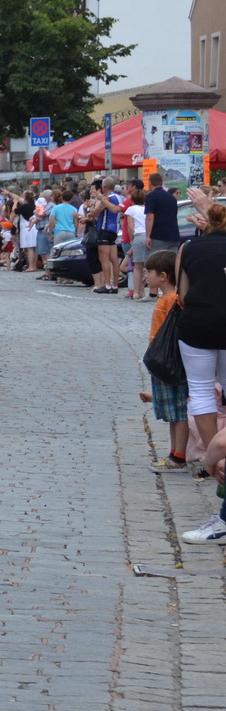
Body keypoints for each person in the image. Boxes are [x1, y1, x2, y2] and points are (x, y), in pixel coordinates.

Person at [177, 202, 226, 543]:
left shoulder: (189, 247)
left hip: (197, 325)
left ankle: (216, 458)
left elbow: (181, 294)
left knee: (201, 392)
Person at [140, 250, 190, 473]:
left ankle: (179, 455)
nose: (145, 276)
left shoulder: (171, 300)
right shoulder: (170, 298)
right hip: (165, 361)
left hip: (167, 362)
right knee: (173, 412)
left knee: (178, 411)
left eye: (148, 272)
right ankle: (173, 452)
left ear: (162, 276)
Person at [91, 179, 123, 294]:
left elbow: (96, 212)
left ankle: (107, 285)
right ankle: (115, 285)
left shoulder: (107, 198)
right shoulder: (119, 197)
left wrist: (92, 205)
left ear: (104, 187)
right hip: (114, 229)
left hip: (105, 228)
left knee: (104, 258)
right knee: (114, 259)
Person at [145, 171, 181, 256]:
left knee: (154, 261)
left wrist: (148, 236)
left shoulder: (151, 196)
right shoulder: (171, 197)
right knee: (170, 261)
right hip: (174, 235)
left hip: (158, 236)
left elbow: (150, 217)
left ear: (150, 183)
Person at [124, 188, 149, 300]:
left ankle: (136, 292)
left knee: (137, 266)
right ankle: (148, 291)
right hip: (148, 236)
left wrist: (132, 240)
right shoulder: (147, 209)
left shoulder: (131, 209)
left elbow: (130, 227)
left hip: (138, 236)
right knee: (148, 266)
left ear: (132, 200)